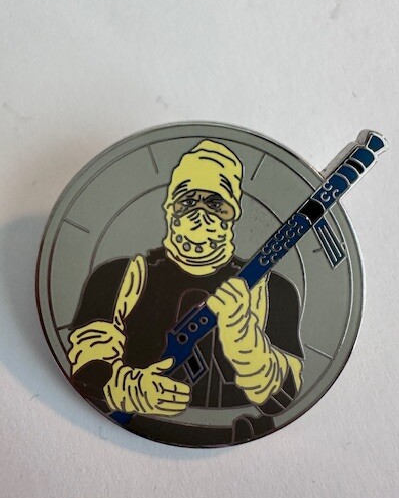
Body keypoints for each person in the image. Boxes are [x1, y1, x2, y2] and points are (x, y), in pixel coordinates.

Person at [68, 140, 304, 445]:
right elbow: (85, 369)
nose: (200, 213)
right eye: (187, 200)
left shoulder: (272, 290)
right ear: (169, 208)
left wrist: (247, 346)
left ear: (235, 213)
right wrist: (126, 386)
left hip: (246, 442)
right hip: (125, 436)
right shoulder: (118, 278)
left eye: (216, 204)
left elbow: (285, 398)